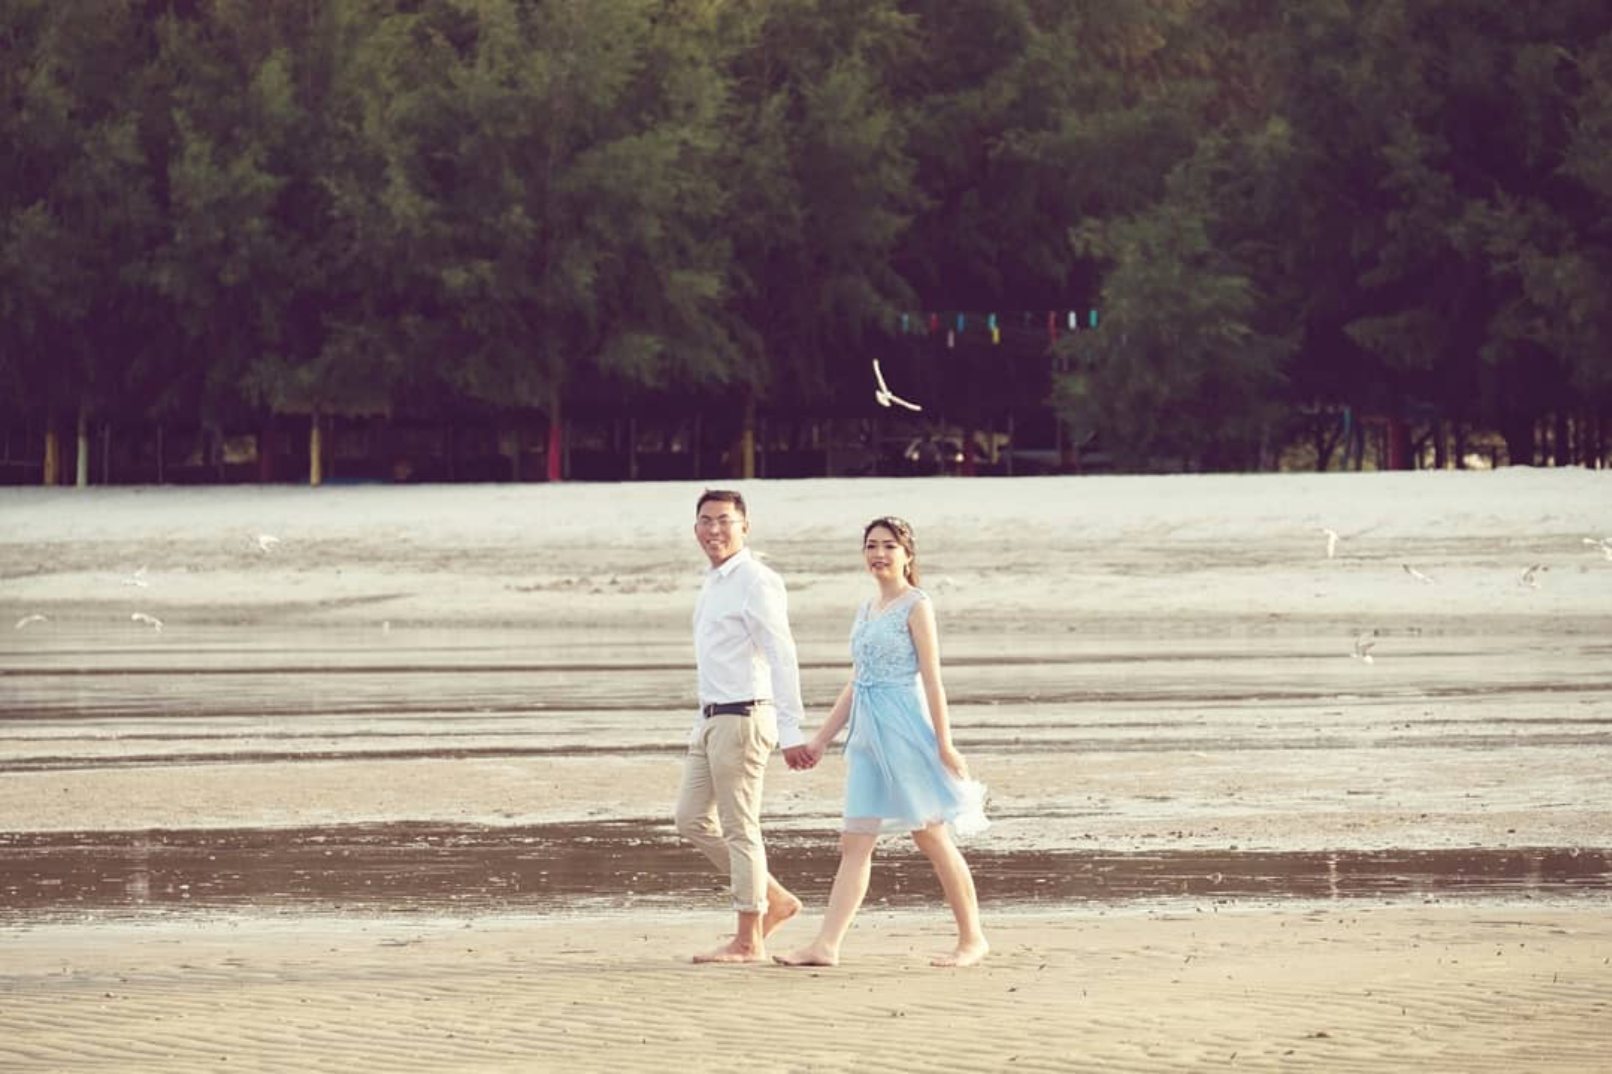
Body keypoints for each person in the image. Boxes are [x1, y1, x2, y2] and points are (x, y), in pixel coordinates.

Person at [777, 516, 988, 969]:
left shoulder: (917, 604)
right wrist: (820, 739)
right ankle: (826, 945)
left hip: (903, 730)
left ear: (907, 554)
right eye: (871, 545)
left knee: (930, 835)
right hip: (866, 737)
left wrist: (945, 744)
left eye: (889, 546)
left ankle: (973, 939)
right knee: (855, 841)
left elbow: (932, 680)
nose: (878, 554)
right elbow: (858, 681)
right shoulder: (867, 608)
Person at [676, 488, 816, 963]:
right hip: (711, 718)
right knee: (691, 819)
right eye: (706, 520)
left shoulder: (756, 580)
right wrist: (701, 721)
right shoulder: (714, 581)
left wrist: (791, 731)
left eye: (724, 520)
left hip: (744, 717)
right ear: (695, 528)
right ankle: (774, 898)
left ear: (744, 527)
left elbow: (782, 653)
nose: (714, 529)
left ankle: (748, 938)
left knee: (740, 828)